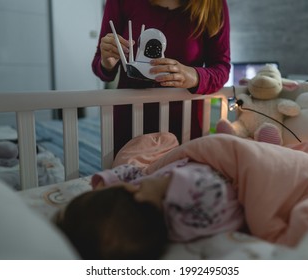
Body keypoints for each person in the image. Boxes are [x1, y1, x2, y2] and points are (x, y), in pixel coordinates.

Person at [92, 0, 231, 154]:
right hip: (129, 125)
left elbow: (222, 68)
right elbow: (100, 66)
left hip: (185, 128)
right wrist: (107, 62)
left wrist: (194, 76)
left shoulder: (213, 3)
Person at [55, 158, 244, 260]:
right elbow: (213, 191)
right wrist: (163, 185)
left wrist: (107, 181)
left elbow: (134, 171)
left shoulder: (145, 195)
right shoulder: (184, 222)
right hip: (223, 163)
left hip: (183, 159)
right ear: (131, 192)